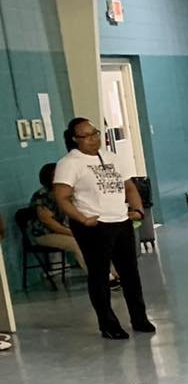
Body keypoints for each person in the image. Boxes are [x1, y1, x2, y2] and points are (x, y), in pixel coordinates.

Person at [51, 117, 152, 340]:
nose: (93, 139)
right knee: (99, 275)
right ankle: (108, 324)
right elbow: (62, 197)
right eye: (86, 136)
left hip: (121, 221)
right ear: (75, 139)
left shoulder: (111, 158)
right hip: (94, 226)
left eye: (95, 133)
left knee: (130, 273)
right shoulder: (69, 163)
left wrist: (137, 210)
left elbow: (129, 187)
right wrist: (83, 219)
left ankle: (139, 317)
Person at [28, 163, 107, 277]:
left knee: (98, 238)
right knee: (77, 243)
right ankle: (98, 277)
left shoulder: (65, 192)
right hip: (44, 234)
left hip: (65, 230)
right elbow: (49, 223)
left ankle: (111, 273)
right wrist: (74, 233)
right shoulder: (42, 196)